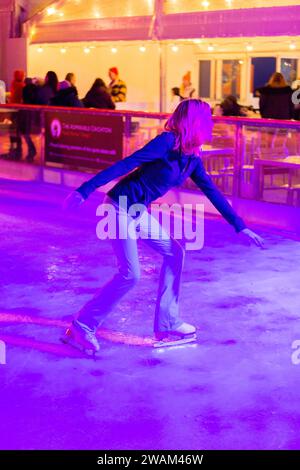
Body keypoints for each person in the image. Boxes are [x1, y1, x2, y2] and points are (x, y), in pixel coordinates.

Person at [62, 99, 264, 353]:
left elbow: (212, 193)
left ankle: (168, 323)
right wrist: (84, 190)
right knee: (130, 274)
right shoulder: (167, 142)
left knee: (174, 252)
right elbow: (127, 164)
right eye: (208, 119)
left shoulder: (191, 158)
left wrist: (240, 226)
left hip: (137, 210)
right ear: (196, 122)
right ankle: (82, 326)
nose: (212, 123)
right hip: (119, 206)